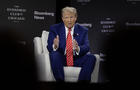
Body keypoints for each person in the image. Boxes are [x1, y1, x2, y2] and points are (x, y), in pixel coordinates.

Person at [47, 6, 96, 82]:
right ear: (62, 18)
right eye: (66, 17)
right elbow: (49, 47)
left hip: (76, 59)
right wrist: (55, 46)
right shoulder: (55, 28)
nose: (69, 20)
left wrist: (78, 48)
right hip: (61, 58)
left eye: (71, 17)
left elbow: (87, 47)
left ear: (75, 18)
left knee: (91, 58)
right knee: (54, 54)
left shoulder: (83, 30)